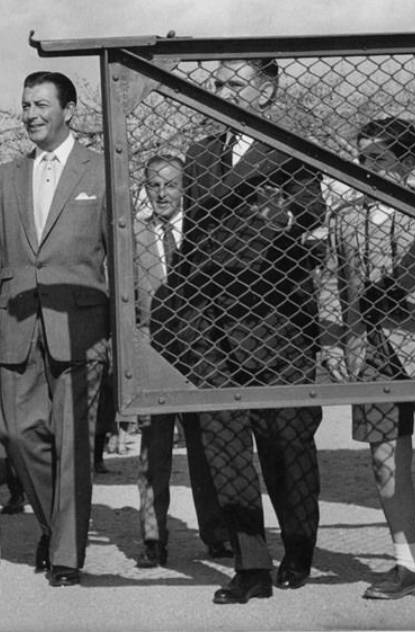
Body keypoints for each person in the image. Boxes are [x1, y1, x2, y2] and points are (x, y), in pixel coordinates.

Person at [151, 58, 325, 604]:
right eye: (217, 83)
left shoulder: (290, 147)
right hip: (209, 325)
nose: (221, 91)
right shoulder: (202, 153)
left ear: (266, 91)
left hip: (276, 321)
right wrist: (179, 314)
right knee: (224, 445)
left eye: (234, 84)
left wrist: (286, 219)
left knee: (286, 444)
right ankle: (250, 566)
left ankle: (298, 545)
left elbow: (311, 209)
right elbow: (195, 237)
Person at [0, 71, 109, 587]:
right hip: (17, 326)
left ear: (68, 111)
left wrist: (127, 331)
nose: (30, 114)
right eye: (26, 105)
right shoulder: (3, 177)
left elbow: (119, 254)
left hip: (82, 329)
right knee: (15, 434)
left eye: (41, 104)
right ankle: (55, 526)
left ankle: (66, 555)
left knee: (73, 444)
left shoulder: (102, 171)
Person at [320, 117, 415, 599]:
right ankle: (407, 567)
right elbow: (332, 282)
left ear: (408, 161)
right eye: (362, 158)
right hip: (371, 352)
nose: (366, 167)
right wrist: (333, 341)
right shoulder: (344, 217)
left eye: (378, 158)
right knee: (385, 464)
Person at [133, 154, 231, 568]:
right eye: (154, 185)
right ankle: (153, 538)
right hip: (153, 355)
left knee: (206, 448)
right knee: (152, 454)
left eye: (171, 184)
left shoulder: (203, 231)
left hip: (202, 354)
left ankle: (216, 534)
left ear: (184, 187)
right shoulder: (133, 236)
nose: (162, 193)